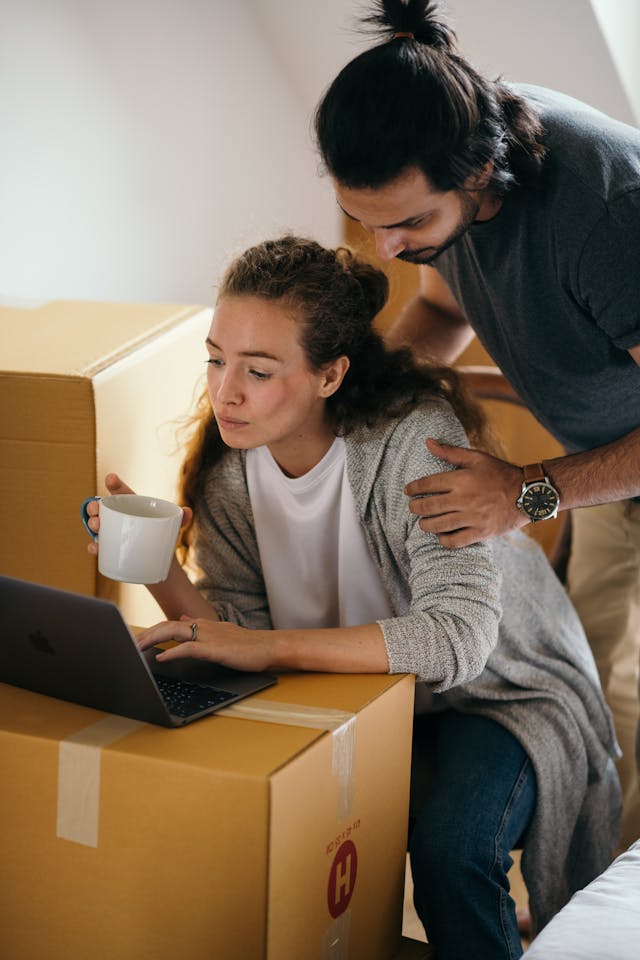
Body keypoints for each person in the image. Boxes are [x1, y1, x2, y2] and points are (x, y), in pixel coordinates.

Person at [84, 235, 620, 959]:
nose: (225, 392)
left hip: (496, 696)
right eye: (216, 359)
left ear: (330, 374)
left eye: (259, 370)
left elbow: (457, 640)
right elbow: (237, 635)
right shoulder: (232, 469)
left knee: (452, 853)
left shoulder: (412, 444)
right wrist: (157, 569)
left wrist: (265, 647)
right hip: (359, 695)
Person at [313, 0, 640, 848]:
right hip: (608, 461)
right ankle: (579, 893)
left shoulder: (608, 209)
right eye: (367, 221)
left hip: (599, 461)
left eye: (407, 224)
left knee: (638, 699)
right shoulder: (441, 182)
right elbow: (440, 318)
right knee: (588, 684)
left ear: (478, 175)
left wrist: (527, 491)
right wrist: (349, 402)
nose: (385, 248)